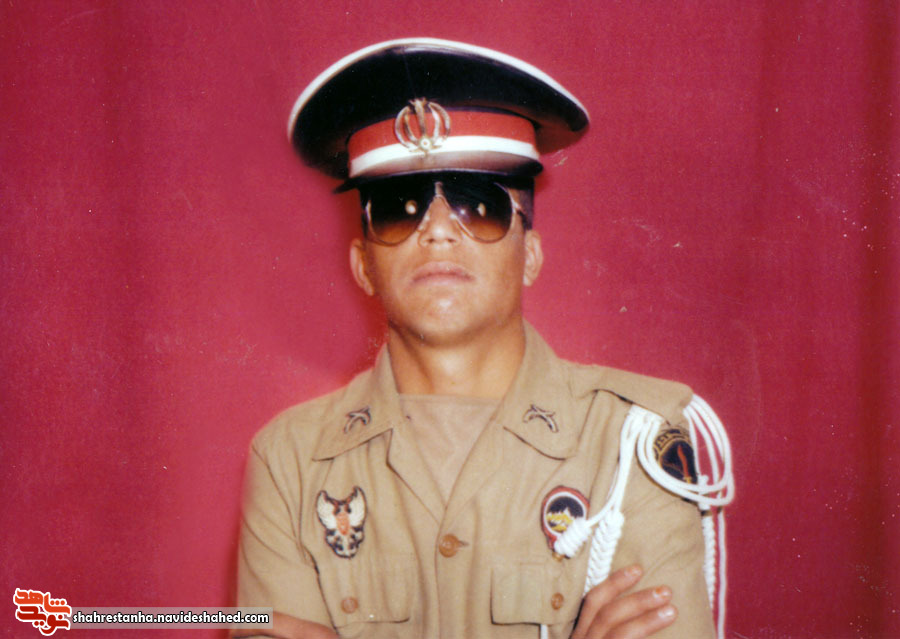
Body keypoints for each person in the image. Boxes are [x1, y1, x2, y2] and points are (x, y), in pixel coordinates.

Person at [235, 38, 733, 639]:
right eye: (398, 209)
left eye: (479, 207)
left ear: (531, 255)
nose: (438, 231)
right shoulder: (290, 461)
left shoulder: (633, 442)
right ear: (363, 265)